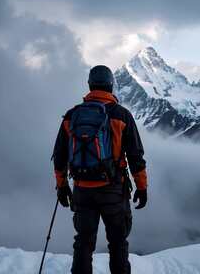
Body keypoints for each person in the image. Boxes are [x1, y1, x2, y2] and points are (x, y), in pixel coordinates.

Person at [52, 65, 148, 274]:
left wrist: (61, 186)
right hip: (113, 189)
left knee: (84, 243)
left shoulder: (72, 116)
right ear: (112, 86)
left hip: (82, 189)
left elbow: (59, 156)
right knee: (118, 242)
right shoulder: (122, 116)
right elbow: (135, 156)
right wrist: (142, 187)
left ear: (89, 85)